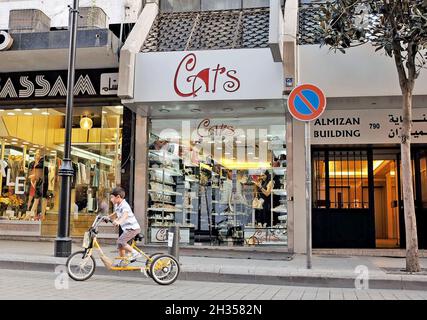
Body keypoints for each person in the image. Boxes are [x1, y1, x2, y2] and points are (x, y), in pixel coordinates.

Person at [107, 187, 141, 265]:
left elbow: (125, 215)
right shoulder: (118, 205)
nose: (111, 199)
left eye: (112, 197)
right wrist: (106, 217)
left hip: (133, 229)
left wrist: (119, 221)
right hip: (127, 229)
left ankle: (136, 253)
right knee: (120, 244)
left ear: (118, 197)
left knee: (121, 241)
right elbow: (115, 214)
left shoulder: (124, 205)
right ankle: (123, 261)